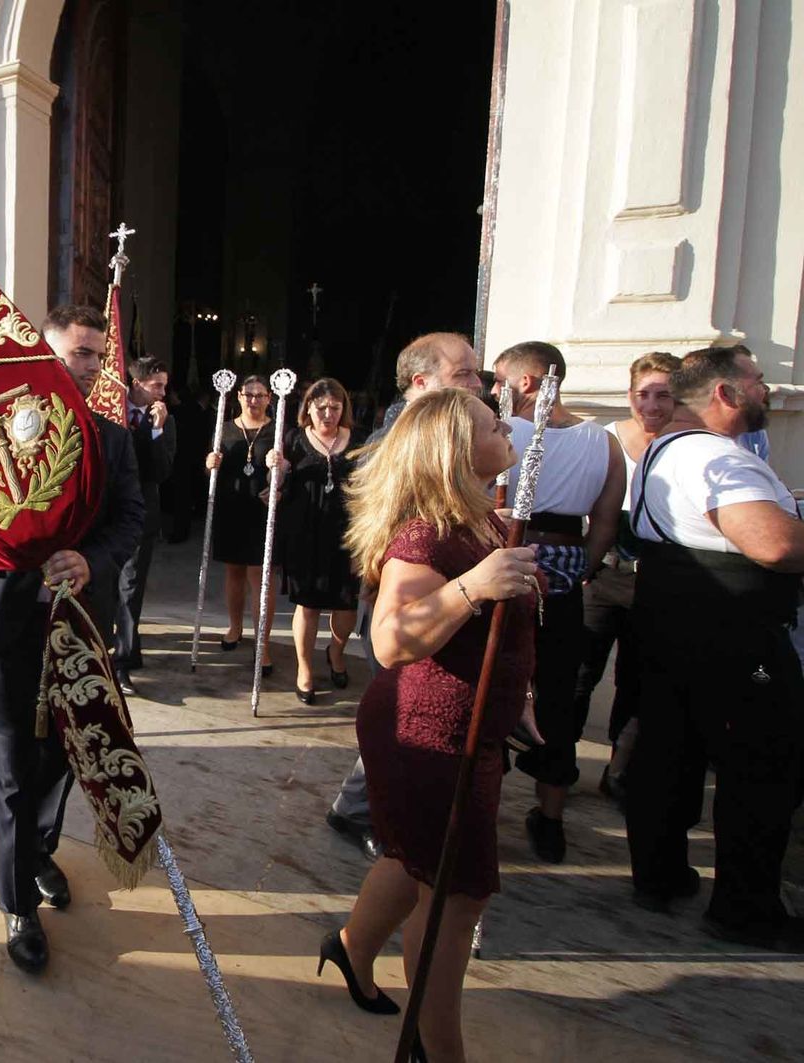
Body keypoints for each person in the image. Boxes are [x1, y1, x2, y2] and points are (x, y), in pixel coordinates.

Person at [319, 388, 539, 1063]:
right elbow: (388, 642)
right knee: (454, 896)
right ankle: (436, 1047)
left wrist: (518, 701)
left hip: (469, 731)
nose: (504, 426)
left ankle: (353, 948)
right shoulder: (427, 534)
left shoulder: (486, 521)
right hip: (427, 735)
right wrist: (474, 587)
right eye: (488, 421)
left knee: (412, 857)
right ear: (452, 448)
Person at [0, 303, 144, 973]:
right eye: (78, 354)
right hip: (2, 621)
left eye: (97, 355)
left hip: (77, 623)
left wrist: (91, 559)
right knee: (11, 762)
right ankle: (15, 903)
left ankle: (36, 852)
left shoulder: (113, 438)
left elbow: (131, 517)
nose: (91, 367)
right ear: (43, 355)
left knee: (63, 753)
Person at [624, 346, 804, 948]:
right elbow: (773, 545)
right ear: (725, 393)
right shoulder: (712, 456)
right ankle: (744, 909)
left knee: (669, 752)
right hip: (729, 630)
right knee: (759, 766)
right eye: (756, 381)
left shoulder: (671, 449)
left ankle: (660, 876)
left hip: (674, 618)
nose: (767, 391)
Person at [326, 332, 482, 857]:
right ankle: (369, 813)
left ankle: (364, 807)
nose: (477, 385)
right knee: (401, 710)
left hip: (432, 589)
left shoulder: (442, 424)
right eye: (464, 375)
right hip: (408, 592)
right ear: (423, 382)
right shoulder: (410, 435)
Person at [495, 342, 625, 862]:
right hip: (568, 577)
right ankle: (550, 818)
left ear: (527, 382)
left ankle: (490, 805)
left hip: (508, 566)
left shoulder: (506, 432)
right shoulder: (606, 441)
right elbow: (606, 524)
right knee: (556, 696)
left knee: (497, 687)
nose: (495, 389)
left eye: (501, 379)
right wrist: (580, 568)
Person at [571, 352, 680, 800]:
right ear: (629, 395)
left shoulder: (687, 441)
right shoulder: (608, 439)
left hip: (658, 584)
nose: (651, 405)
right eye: (643, 394)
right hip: (604, 574)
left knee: (639, 681)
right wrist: (585, 566)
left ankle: (619, 771)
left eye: (663, 395)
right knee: (580, 673)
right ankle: (558, 764)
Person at [276, 377, 363, 704]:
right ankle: (304, 668)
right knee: (307, 604)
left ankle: (336, 652)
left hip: (347, 534)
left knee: (346, 604)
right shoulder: (293, 440)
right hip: (304, 534)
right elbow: (279, 487)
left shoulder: (359, 441)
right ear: (308, 409)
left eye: (335, 408)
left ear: (344, 409)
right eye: (321, 407)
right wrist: (278, 469)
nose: (328, 414)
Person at [204, 375, 279, 671]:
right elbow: (212, 467)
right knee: (234, 571)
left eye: (259, 395)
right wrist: (210, 464)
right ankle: (235, 627)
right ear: (238, 396)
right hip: (231, 507)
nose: (254, 400)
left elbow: (287, 469)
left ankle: (263, 644)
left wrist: (279, 475)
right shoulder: (224, 428)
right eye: (249, 395)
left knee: (260, 577)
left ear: (269, 398)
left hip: (261, 510)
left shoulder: (277, 429)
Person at [114, 355, 178, 694]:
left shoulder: (164, 422)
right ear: (137, 384)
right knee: (106, 587)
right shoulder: (112, 409)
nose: (162, 392)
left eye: (165, 386)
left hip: (142, 516)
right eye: (157, 386)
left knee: (130, 589)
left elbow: (161, 471)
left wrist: (156, 430)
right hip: (107, 515)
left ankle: (122, 663)